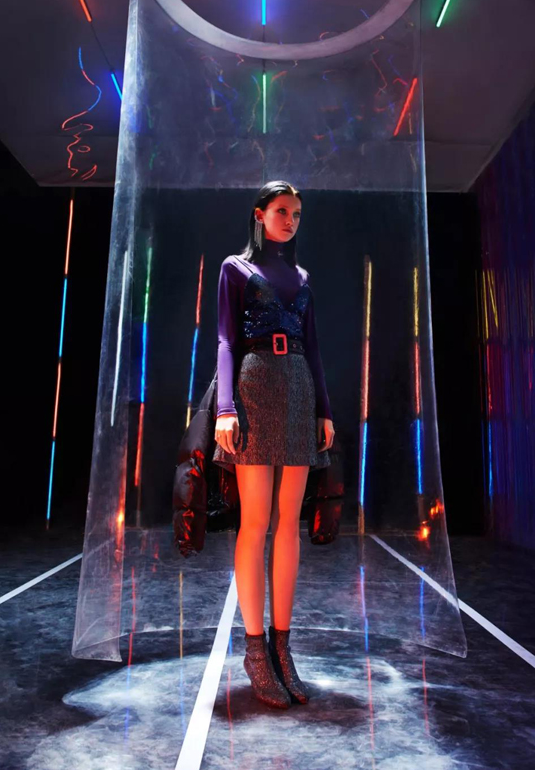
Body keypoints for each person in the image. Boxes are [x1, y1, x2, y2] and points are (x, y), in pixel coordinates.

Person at [213, 180, 336, 709]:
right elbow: (225, 339)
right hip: (255, 384)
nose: (290, 220)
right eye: (282, 210)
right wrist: (224, 408)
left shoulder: (303, 277)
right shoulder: (235, 268)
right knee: (256, 521)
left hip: (299, 387)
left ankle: (283, 650)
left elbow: (314, 347)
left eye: (297, 213)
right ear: (259, 214)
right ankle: (255, 651)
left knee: (289, 523)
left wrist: (324, 409)